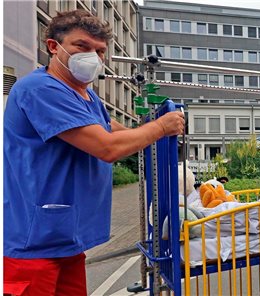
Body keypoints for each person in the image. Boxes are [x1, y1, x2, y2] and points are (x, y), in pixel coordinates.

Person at [3, 10, 185, 296]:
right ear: (53, 46)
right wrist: (161, 127)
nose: (94, 57)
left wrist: (154, 130)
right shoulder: (41, 89)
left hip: (65, 240)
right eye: (82, 47)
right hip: (32, 245)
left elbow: (112, 130)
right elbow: (107, 147)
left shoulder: (85, 95)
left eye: (100, 51)